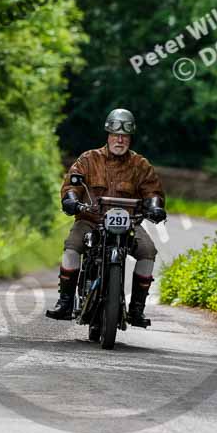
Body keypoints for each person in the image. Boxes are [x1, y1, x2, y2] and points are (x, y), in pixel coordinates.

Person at [46, 108, 166, 327]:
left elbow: (153, 191)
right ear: (108, 135)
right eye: (115, 135)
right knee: (72, 246)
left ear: (130, 138)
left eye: (125, 136)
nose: (120, 140)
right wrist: (71, 199)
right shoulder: (88, 159)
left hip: (128, 223)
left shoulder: (141, 165)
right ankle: (65, 302)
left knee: (148, 251)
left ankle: (137, 310)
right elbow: (73, 183)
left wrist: (155, 206)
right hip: (91, 220)